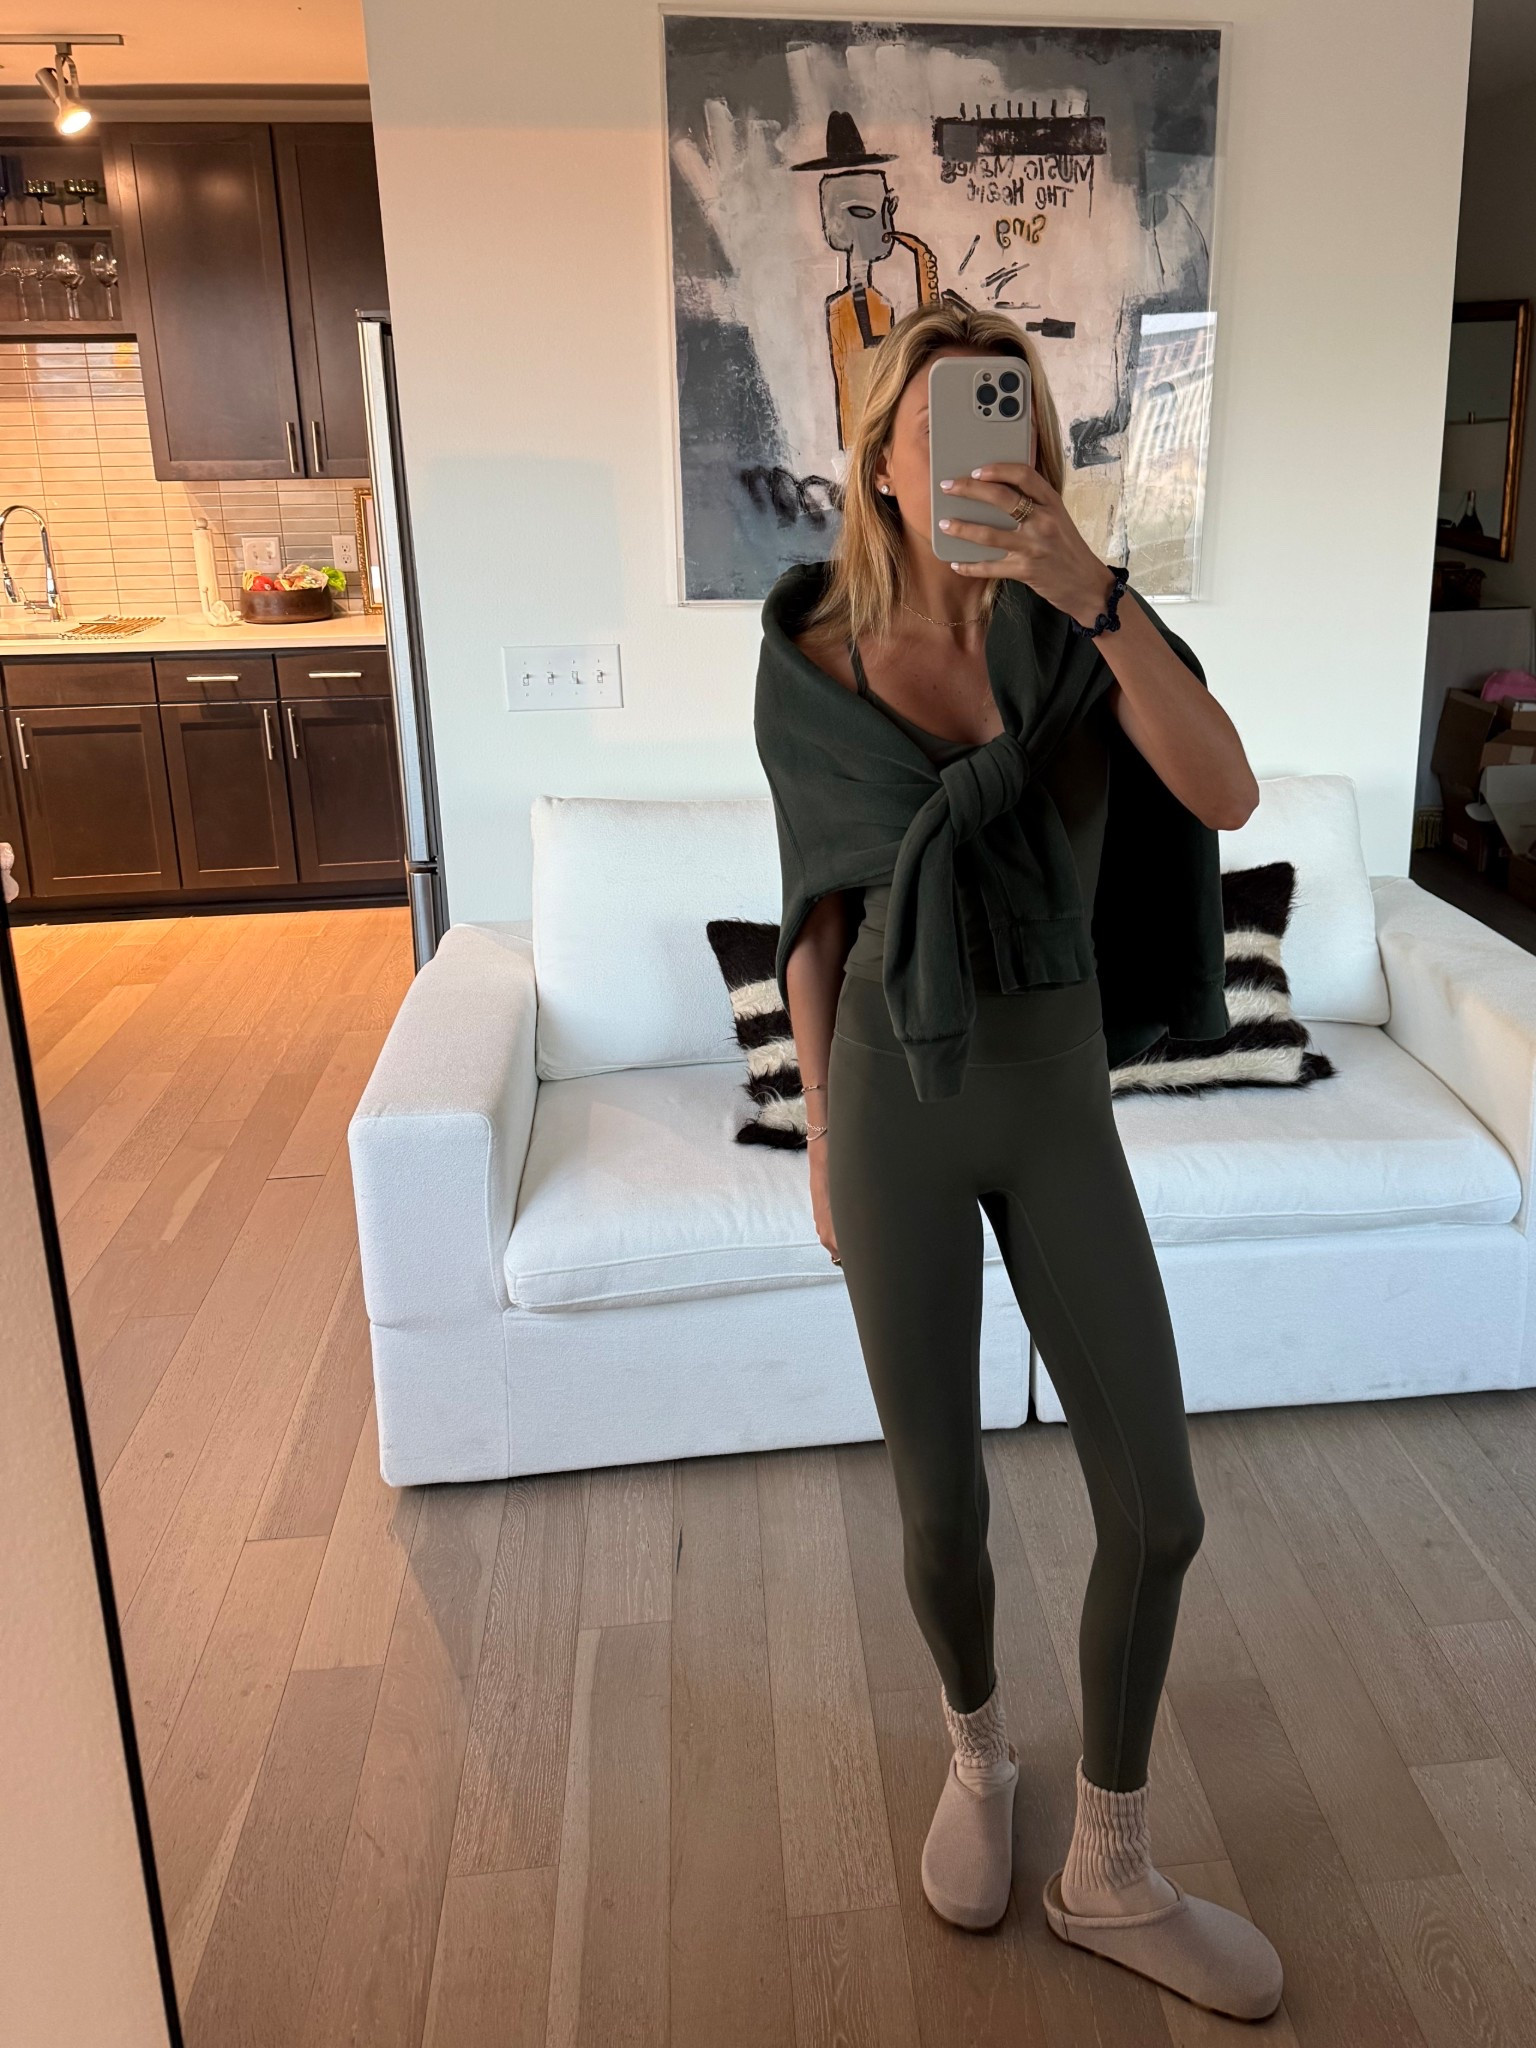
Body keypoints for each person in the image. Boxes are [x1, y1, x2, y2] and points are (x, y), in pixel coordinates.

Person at [754, 301, 1284, 2022]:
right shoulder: (811, 658)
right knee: (941, 1506)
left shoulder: (1083, 631)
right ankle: (977, 1752)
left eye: (1016, 416)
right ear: (882, 468)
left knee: (1161, 1507)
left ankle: (1111, 1864)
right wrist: (821, 1137)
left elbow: (1228, 796)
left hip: (1054, 1090)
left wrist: (1099, 596)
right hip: (891, 1099)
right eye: (948, 421)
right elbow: (819, 913)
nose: (988, 447)